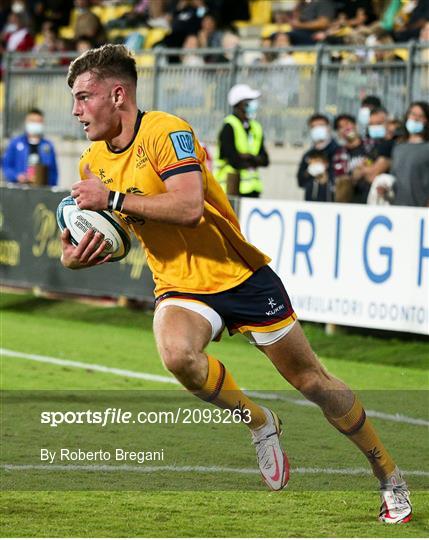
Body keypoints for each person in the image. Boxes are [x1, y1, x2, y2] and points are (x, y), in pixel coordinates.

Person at [61, 44, 412, 524]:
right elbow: (109, 232)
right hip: (180, 285)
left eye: (84, 97)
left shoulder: (167, 132)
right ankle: (261, 422)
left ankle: (390, 476)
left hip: (239, 276)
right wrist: (76, 255)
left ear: (117, 94)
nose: (76, 111)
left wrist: (116, 196)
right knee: (177, 355)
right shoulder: (91, 163)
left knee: (314, 383)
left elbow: (187, 208)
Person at [213, 83, 269, 197]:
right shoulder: (229, 126)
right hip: (230, 189)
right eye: (248, 101)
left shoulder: (256, 127)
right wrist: (253, 159)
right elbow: (232, 159)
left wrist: (248, 156)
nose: (253, 104)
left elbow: (265, 160)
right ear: (238, 105)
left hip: (252, 190)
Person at [2, 108, 58, 186]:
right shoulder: (15, 143)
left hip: (41, 189)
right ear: (26, 122)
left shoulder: (48, 146)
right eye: (32, 121)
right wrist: (17, 177)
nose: (35, 124)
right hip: (19, 188)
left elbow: (53, 171)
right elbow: (6, 166)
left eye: (38, 122)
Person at [390, 101, 429, 206]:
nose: (415, 119)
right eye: (413, 114)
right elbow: (393, 178)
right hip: (398, 208)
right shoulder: (398, 148)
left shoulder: (426, 148)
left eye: (420, 116)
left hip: (420, 210)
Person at [297, 113, 339, 202]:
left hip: (332, 202)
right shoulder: (308, 155)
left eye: (321, 126)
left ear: (328, 128)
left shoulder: (338, 151)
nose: (317, 129)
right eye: (313, 127)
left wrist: (327, 172)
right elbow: (300, 181)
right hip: (312, 201)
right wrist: (309, 172)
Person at [333, 113, 374, 203]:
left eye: (348, 124)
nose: (346, 128)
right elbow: (340, 178)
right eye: (341, 127)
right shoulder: (339, 154)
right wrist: (353, 177)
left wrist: (365, 167)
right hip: (352, 200)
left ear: (355, 125)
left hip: (372, 195)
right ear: (338, 133)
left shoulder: (370, 144)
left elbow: (377, 161)